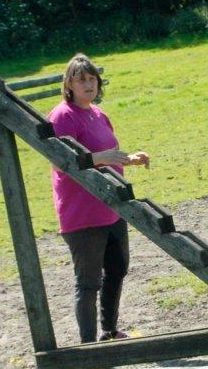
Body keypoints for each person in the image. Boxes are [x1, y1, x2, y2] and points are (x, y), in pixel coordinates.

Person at [48, 55, 150, 343]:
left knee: (117, 270)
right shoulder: (62, 116)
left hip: (113, 208)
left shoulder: (98, 113)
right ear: (69, 84)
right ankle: (88, 345)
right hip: (82, 214)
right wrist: (98, 158)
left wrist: (130, 159)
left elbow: (108, 155)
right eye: (81, 80)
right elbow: (58, 162)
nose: (88, 84)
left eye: (92, 79)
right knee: (88, 282)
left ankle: (110, 331)